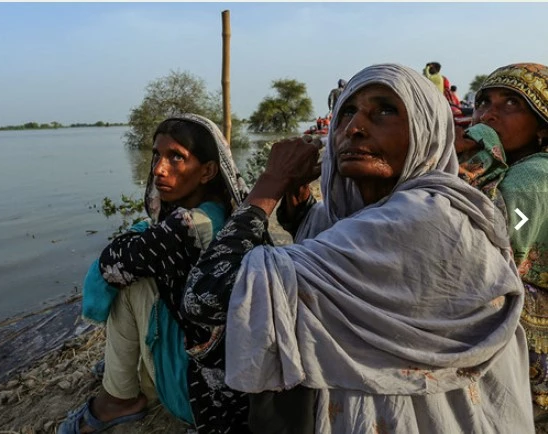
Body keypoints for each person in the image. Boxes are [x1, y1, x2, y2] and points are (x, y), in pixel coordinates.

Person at [182, 63, 533, 433]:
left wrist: (269, 184)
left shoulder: (427, 218)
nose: (354, 128)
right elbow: (341, 240)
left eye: (385, 110)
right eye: (347, 112)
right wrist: (298, 204)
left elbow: (205, 296)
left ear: (427, 132)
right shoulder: (390, 213)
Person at [58, 114, 249, 433]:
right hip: (226, 380)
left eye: (176, 157)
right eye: (157, 155)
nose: (159, 168)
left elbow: (111, 265)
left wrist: (134, 240)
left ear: (208, 171)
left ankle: (116, 400)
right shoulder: (221, 216)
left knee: (129, 282)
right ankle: (127, 373)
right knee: (142, 269)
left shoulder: (193, 225)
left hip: (201, 398)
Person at [454, 62, 548, 430]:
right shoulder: (518, 167)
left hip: (523, 350)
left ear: (542, 123)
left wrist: (478, 155)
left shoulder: (532, 175)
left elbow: (487, 240)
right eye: (483, 102)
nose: (488, 114)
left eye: (511, 103)